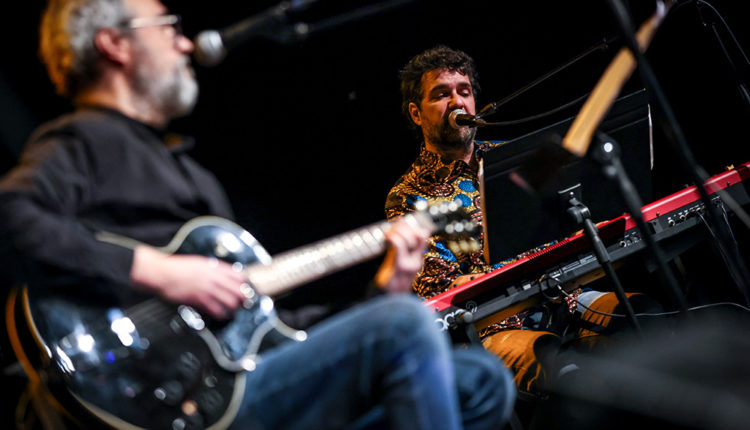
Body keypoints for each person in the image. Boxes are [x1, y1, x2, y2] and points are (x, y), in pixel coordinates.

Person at [0, 2, 515, 429]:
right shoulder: (84, 141)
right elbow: (12, 218)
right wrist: (161, 272)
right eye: (167, 26)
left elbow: (270, 327)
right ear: (114, 43)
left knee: (480, 379)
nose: (184, 42)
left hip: (245, 378)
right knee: (403, 327)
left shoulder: (191, 176)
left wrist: (383, 292)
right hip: (179, 399)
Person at [386, 45, 660, 395]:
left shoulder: (512, 156)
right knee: (555, 362)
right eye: (441, 94)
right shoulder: (408, 195)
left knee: (644, 316)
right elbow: (438, 287)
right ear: (416, 113)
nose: (457, 103)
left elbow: (562, 225)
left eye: (464, 92)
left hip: (566, 298)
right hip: (496, 327)